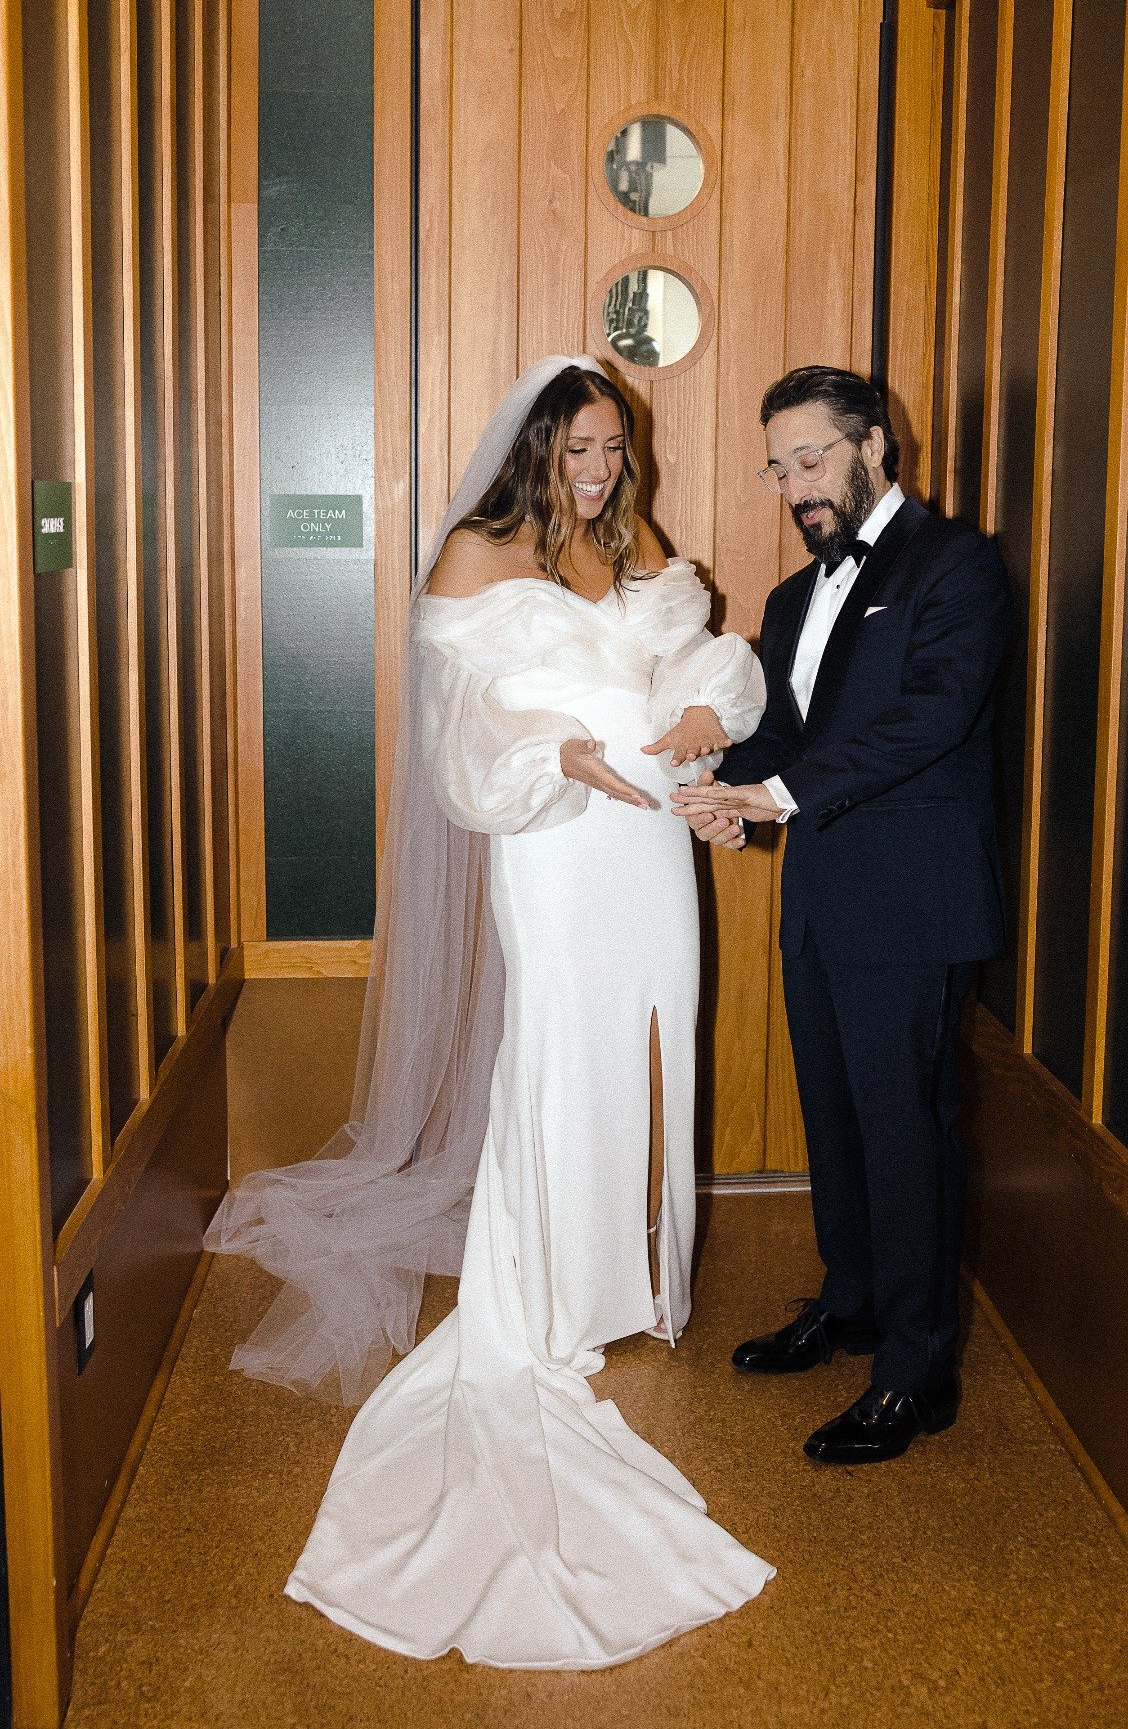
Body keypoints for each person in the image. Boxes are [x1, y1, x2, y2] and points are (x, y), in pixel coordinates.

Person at [205, 355, 773, 1666]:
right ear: (532, 447)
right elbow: (460, 734)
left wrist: (696, 713)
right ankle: (551, 1299)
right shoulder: (476, 551)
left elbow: (708, 665)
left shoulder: (629, 540)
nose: (598, 467)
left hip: (650, 858)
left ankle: (641, 1276)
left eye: (613, 447)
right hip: (559, 848)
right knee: (564, 1060)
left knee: (654, 1049)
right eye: (578, 446)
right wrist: (558, 754)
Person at [672, 366, 1011, 1466]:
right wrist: (732, 792)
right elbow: (786, 743)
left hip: (913, 906)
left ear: (875, 443)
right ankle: (854, 1301)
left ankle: (917, 1369)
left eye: (811, 459)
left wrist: (776, 794)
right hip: (821, 900)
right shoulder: (787, 598)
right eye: (779, 468)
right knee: (838, 1119)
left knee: (907, 1132)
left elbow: (930, 717)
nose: (795, 487)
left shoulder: (956, 564)